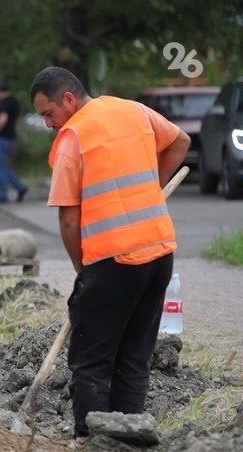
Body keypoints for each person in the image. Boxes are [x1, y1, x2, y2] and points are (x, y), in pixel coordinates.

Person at [29, 66, 190, 438]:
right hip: (159, 254)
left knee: (92, 363)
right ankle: (127, 439)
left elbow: (69, 221)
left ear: (68, 99)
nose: (49, 124)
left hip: (111, 263)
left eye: (48, 113)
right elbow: (179, 142)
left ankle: (91, 441)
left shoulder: (74, 136)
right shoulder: (133, 110)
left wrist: (82, 271)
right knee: (135, 359)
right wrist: (150, 189)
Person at [0, 77, 27, 206]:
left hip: (2, 138)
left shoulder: (5, 103)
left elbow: (2, 119)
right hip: (10, 137)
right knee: (3, 166)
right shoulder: (13, 102)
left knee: (0, 167)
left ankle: (3, 195)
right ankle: (20, 187)